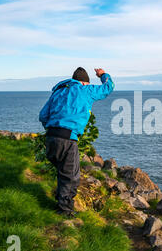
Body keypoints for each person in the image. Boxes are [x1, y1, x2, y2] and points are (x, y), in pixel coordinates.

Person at [39, 67, 114, 217]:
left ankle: (61, 200)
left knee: (63, 173)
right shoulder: (85, 90)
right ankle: (65, 212)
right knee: (71, 177)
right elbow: (108, 87)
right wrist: (103, 74)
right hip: (67, 139)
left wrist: (53, 127)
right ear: (84, 82)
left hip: (51, 138)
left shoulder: (58, 92)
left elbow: (43, 116)